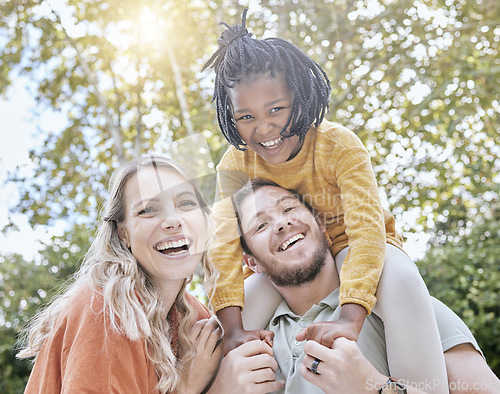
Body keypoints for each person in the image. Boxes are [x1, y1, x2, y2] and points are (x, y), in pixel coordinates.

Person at [203, 9, 448, 392]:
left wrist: (351, 317)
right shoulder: (233, 164)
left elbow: (367, 230)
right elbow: (221, 247)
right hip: (290, 260)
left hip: (353, 246)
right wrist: (233, 329)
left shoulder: (339, 144)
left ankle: (425, 385)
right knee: (225, 320)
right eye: (245, 117)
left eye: (276, 110)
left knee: (399, 278)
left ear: (298, 97)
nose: (263, 129)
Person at [16, 155, 284, 393]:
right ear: (123, 233)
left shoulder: (190, 316)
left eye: (186, 203)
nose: (173, 220)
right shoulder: (107, 310)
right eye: (148, 210)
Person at [234, 179, 500, 393]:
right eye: (261, 225)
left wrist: (373, 387)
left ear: (321, 223)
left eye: (289, 208)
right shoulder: (253, 345)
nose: (282, 223)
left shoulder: (402, 306)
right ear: (252, 262)